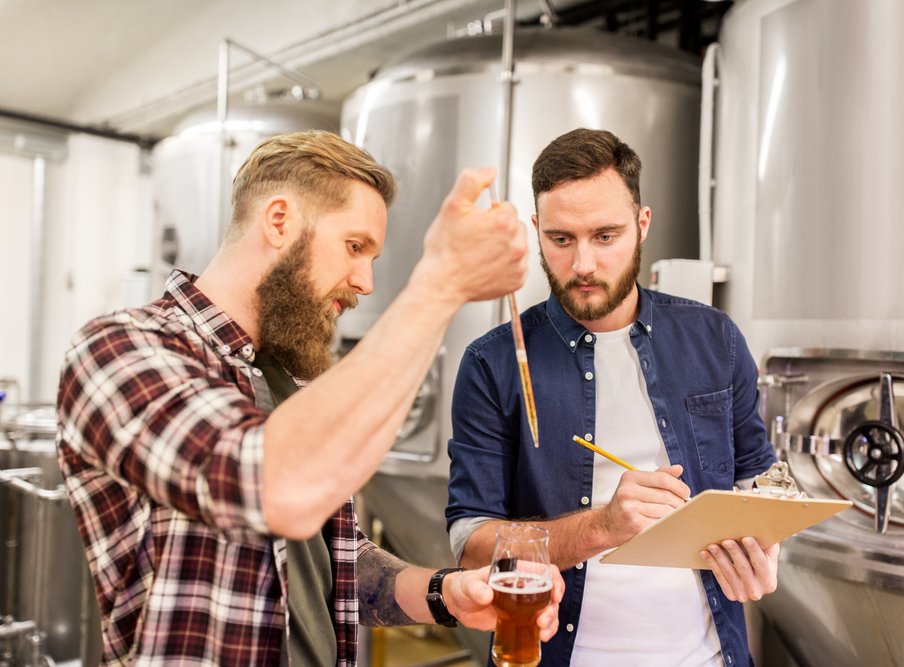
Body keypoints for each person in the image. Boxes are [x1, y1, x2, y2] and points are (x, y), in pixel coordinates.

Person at [55, 129, 563, 666]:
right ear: (279, 221)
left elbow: (340, 562)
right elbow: (277, 488)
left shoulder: (294, 379)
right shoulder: (122, 349)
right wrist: (439, 284)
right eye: (354, 247)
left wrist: (445, 594)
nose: (365, 281)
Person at [446, 128, 779, 667]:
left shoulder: (715, 339)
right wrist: (603, 527)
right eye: (560, 239)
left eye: (605, 236)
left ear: (642, 224)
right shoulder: (494, 363)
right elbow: (470, 540)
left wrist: (764, 546)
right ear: (536, 231)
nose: (582, 265)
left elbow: (758, 484)